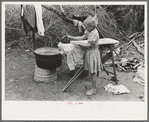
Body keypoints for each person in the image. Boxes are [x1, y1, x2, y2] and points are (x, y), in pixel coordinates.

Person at [68, 16, 102, 96]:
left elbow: (88, 45)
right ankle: (93, 86)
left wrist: (76, 43)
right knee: (91, 71)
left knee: (93, 72)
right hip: (89, 53)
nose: (85, 28)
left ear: (92, 26)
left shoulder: (94, 33)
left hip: (93, 53)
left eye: (87, 26)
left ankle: (94, 89)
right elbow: (82, 37)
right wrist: (71, 37)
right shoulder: (88, 31)